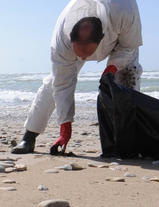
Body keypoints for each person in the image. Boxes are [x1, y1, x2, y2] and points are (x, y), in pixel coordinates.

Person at [11, 0, 142, 155]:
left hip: (120, 40)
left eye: (87, 54)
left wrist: (112, 68)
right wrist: (65, 127)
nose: (86, 59)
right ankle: (29, 135)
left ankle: (127, 141)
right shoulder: (61, 41)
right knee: (53, 83)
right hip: (72, 48)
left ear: (102, 37)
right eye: (80, 54)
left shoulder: (124, 9)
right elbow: (62, 84)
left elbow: (129, 46)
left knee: (128, 78)